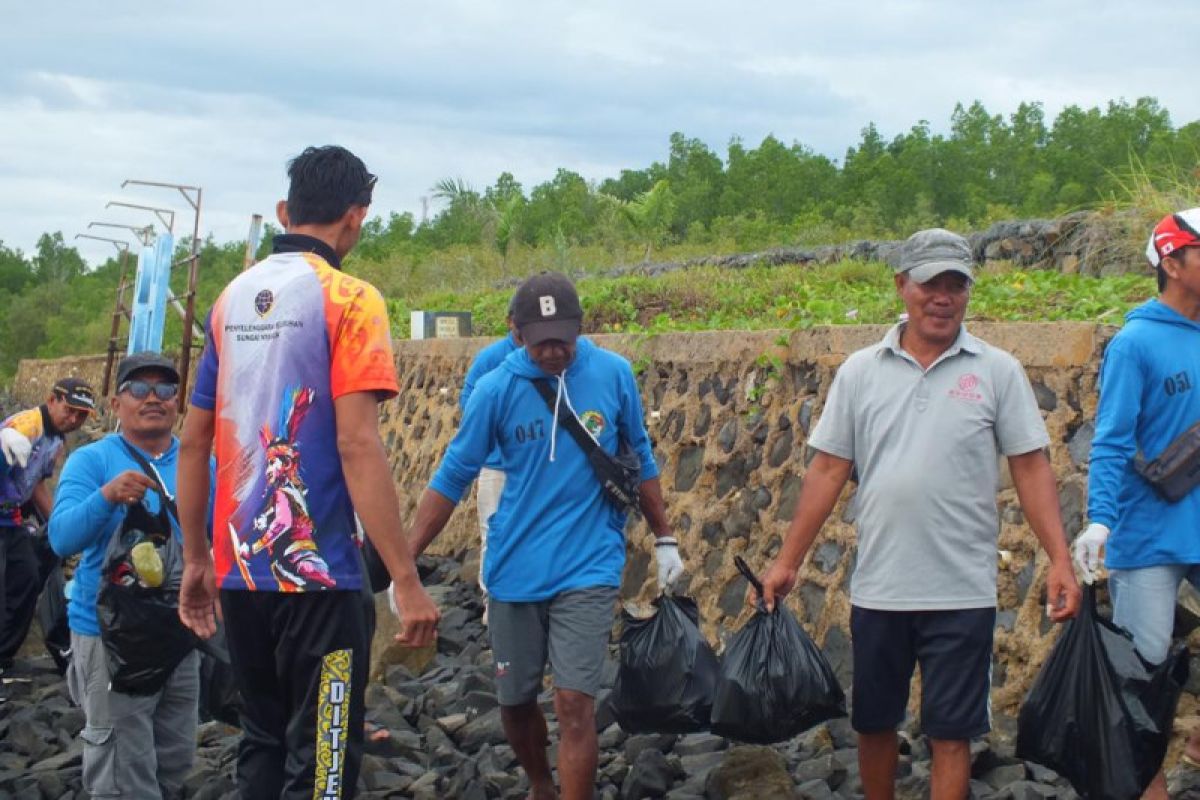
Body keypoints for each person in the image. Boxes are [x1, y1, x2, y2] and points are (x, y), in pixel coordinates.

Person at [760, 228, 1081, 800]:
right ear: (902, 286)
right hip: (881, 587)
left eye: (957, 284)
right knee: (874, 722)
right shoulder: (860, 371)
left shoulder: (997, 370)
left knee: (951, 734)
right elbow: (828, 471)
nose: (944, 296)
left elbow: (1031, 468)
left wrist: (1059, 558)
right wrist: (788, 561)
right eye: (932, 282)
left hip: (964, 590)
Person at [175, 144, 440, 800]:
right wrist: (405, 578)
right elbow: (357, 445)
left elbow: (192, 442)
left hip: (240, 570)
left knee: (261, 740)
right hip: (320, 576)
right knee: (324, 753)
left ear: (285, 211)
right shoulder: (348, 299)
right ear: (356, 218)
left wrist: (195, 559)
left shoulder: (230, 300)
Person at [406, 271, 683, 800]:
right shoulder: (495, 389)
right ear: (517, 332)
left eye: (564, 338)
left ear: (580, 328)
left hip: (590, 564)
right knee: (514, 701)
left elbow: (640, 455)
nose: (554, 352)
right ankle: (540, 784)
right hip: (515, 567)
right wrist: (404, 564)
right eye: (541, 342)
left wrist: (664, 537)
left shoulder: (613, 374)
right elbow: (452, 477)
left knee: (575, 703)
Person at [1074, 208, 1200, 799]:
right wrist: (1100, 519)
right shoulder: (1136, 343)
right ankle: (1148, 792)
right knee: (1141, 679)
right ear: (1172, 264)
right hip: (1148, 538)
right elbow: (1112, 440)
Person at [48, 353, 197, 799]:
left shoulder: (198, 461)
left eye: (166, 389)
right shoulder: (90, 461)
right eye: (139, 388)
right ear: (116, 403)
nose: (153, 398)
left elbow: (219, 541)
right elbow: (60, 538)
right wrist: (107, 496)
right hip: (108, 634)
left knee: (175, 755)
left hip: (181, 631)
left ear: (179, 401)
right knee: (119, 765)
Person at [0, 376, 95, 671]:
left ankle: (3, 655)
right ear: (52, 400)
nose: (74, 418)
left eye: (81, 415)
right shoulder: (27, 426)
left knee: (27, 577)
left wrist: (63, 524)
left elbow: (37, 487)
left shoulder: (56, 441)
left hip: (12, 518)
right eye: (69, 409)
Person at [460, 295, 521, 619]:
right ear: (510, 321)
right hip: (496, 465)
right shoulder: (491, 359)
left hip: (534, 468)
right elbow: (469, 405)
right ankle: (493, 606)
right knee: (493, 533)